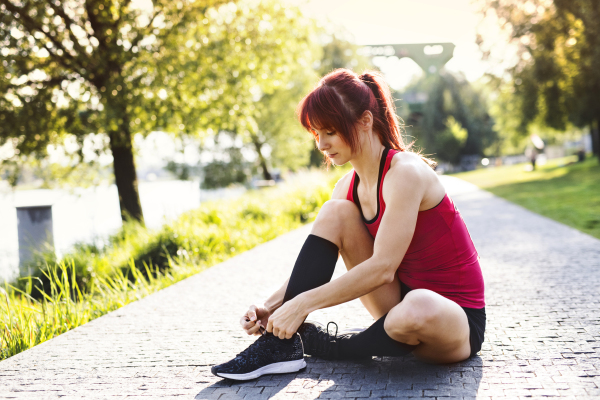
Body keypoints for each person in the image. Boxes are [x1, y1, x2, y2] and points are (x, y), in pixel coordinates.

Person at [211, 69, 486, 381]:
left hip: (453, 320)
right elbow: (315, 269)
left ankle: (337, 347)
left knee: (417, 305)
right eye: (316, 134)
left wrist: (301, 306)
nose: (321, 145)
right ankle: (278, 345)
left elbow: (383, 267)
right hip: (395, 306)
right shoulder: (347, 186)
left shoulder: (406, 173)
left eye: (329, 131)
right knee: (334, 212)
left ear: (365, 121)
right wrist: (272, 306)